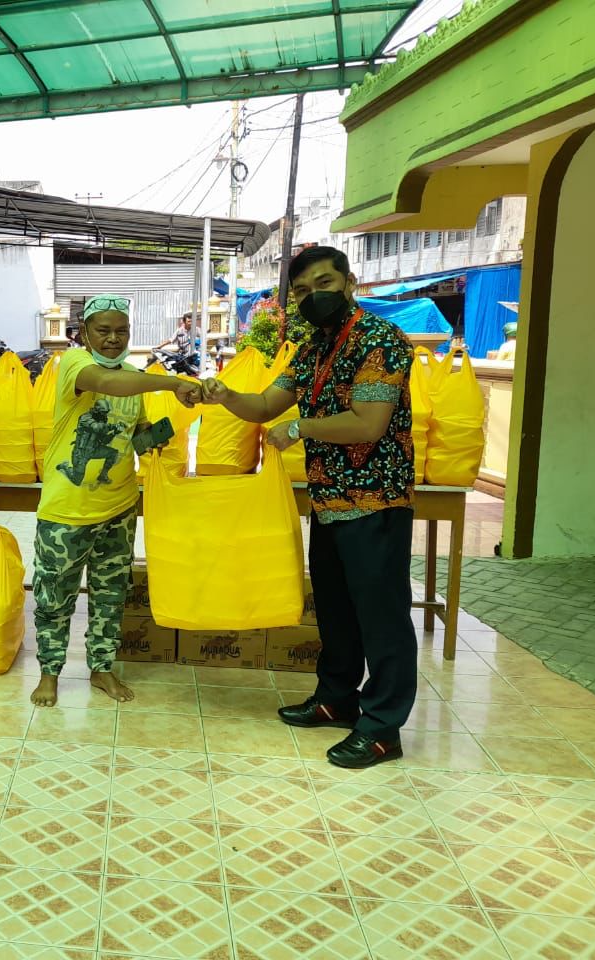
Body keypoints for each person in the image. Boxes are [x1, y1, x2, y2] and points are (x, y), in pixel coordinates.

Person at [200, 246, 417, 768]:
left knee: (382, 618)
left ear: (349, 282)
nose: (312, 297)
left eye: (323, 283)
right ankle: (336, 698)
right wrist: (222, 394)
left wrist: (300, 428)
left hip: (375, 500)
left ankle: (384, 726)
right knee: (338, 612)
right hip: (329, 500)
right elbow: (264, 406)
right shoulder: (315, 347)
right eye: (300, 292)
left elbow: (368, 422)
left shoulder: (379, 340)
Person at [30, 294, 200, 708]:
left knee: (110, 595)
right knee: (54, 596)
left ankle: (101, 669)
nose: (112, 339)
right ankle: (49, 673)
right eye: (102, 331)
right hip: (66, 511)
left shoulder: (133, 379)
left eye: (121, 331)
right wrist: (173, 382)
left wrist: (164, 434)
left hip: (119, 507)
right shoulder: (74, 364)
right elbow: (106, 383)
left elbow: (135, 435)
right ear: (84, 333)